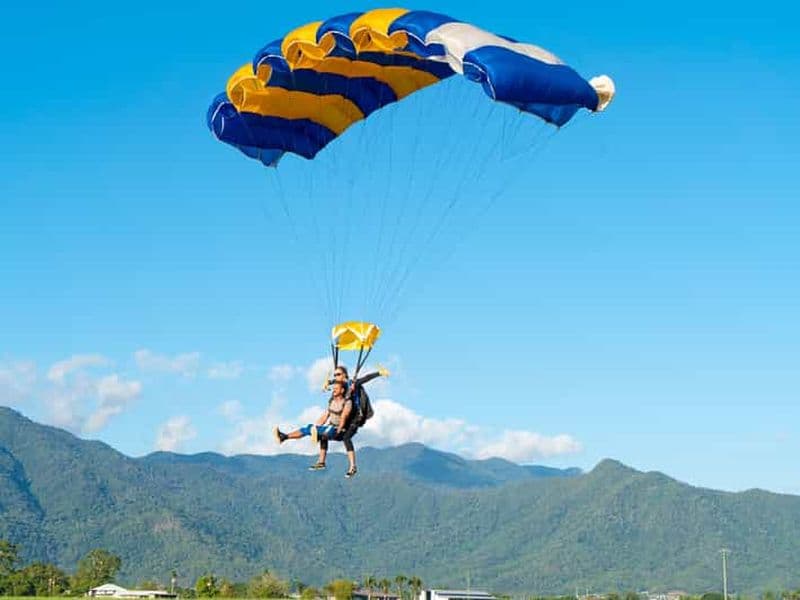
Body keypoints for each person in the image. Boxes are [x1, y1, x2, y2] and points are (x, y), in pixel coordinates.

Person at [273, 379, 358, 477]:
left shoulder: (348, 402)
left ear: (342, 390)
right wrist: (316, 428)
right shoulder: (332, 402)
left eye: (336, 389)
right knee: (309, 428)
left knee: (325, 432)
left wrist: (339, 429)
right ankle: (284, 437)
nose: (333, 390)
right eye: (333, 389)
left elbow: (344, 416)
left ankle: (352, 466)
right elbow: (325, 416)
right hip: (330, 429)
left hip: (341, 430)